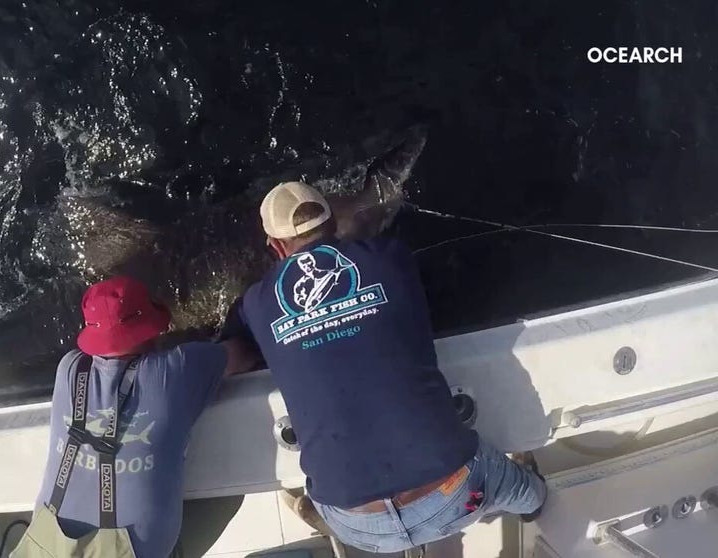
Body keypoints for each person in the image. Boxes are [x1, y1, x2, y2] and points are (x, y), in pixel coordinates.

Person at [220, 181, 546, 554]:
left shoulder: (256, 302)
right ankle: (532, 506)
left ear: (276, 246)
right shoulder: (390, 255)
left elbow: (237, 351)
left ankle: (324, 519)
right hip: (456, 495)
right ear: (332, 223)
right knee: (529, 493)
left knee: (346, 512)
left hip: (360, 529)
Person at [10, 276, 256, 558]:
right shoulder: (176, 369)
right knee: (229, 493)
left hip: (44, 547)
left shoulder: (69, 368)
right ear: (148, 326)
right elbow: (244, 353)